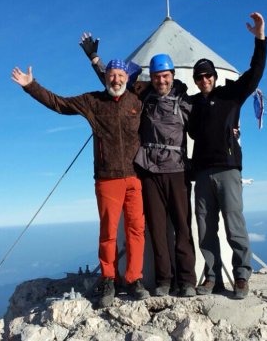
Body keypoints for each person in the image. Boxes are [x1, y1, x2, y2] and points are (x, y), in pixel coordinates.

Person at [11, 59, 150, 308]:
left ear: (127, 78)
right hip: (107, 178)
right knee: (108, 233)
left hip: (134, 176)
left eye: (120, 75)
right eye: (111, 75)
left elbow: (161, 85)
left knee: (136, 230)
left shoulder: (137, 100)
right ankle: (108, 279)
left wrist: (97, 60)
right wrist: (31, 86)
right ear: (105, 77)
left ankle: (134, 279)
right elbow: (60, 104)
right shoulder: (93, 101)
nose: (115, 79)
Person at [80, 39, 197, 297]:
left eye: (165, 76)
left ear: (173, 75)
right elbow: (114, 84)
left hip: (176, 170)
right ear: (150, 77)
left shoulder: (184, 99)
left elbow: (204, 126)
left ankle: (187, 280)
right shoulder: (141, 95)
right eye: (156, 76)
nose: (161, 81)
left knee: (181, 227)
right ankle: (164, 280)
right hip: (149, 172)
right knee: (155, 229)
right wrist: (95, 60)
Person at [188, 12, 267, 299]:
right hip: (202, 173)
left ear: (215, 76)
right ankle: (211, 277)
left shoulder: (231, 95)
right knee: (206, 227)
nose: (204, 79)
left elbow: (255, 73)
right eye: (199, 76)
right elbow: (152, 93)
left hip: (228, 169)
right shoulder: (192, 103)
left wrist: (260, 38)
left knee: (234, 224)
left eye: (208, 74)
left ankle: (242, 276)